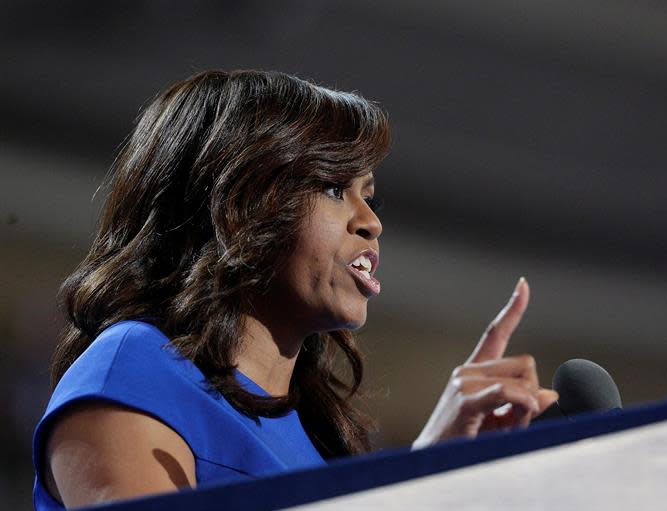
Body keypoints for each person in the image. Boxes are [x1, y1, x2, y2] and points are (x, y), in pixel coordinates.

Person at [32, 70, 558, 510]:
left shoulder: (315, 433)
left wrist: (438, 475)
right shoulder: (132, 370)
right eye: (333, 188)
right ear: (236, 207)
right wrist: (418, 478)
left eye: (367, 194)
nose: (371, 222)